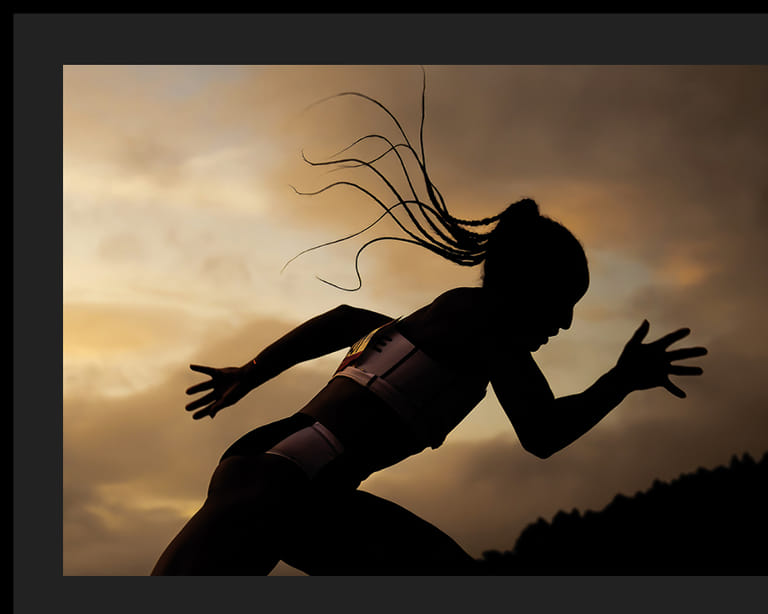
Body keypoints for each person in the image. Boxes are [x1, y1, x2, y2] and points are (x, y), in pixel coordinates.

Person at [150, 88, 707, 576]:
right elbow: (542, 434)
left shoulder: (436, 321)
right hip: (289, 482)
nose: (564, 324)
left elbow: (343, 320)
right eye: (561, 305)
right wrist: (620, 380)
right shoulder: (488, 322)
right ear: (527, 287)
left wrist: (250, 373)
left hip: (282, 473)